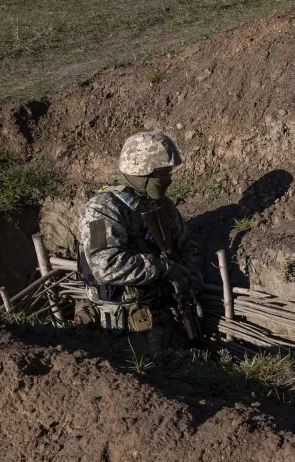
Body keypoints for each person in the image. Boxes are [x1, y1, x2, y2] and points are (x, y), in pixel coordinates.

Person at [77, 131, 202, 345]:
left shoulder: (162, 205)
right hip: (124, 326)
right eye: (163, 172)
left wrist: (188, 280)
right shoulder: (101, 210)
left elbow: (186, 244)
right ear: (143, 173)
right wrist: (164, 269)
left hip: (165, 315)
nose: (169, 178)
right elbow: (105, 265)